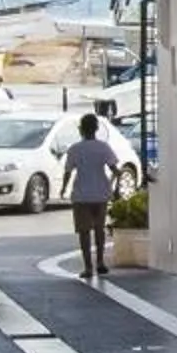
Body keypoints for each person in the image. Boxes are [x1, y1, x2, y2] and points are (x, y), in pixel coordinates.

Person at [61, 111, 125, 282]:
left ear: (81, 129)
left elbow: (68, 171)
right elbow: (114, 169)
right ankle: (100, 262)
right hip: (100, 193)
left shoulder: (75, 149)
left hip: (81, 194)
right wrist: (117, 181)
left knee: (84, 232)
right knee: (99, 229)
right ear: (96, 129)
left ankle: (88, 266)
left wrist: (63, 188)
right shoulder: (103, 147)